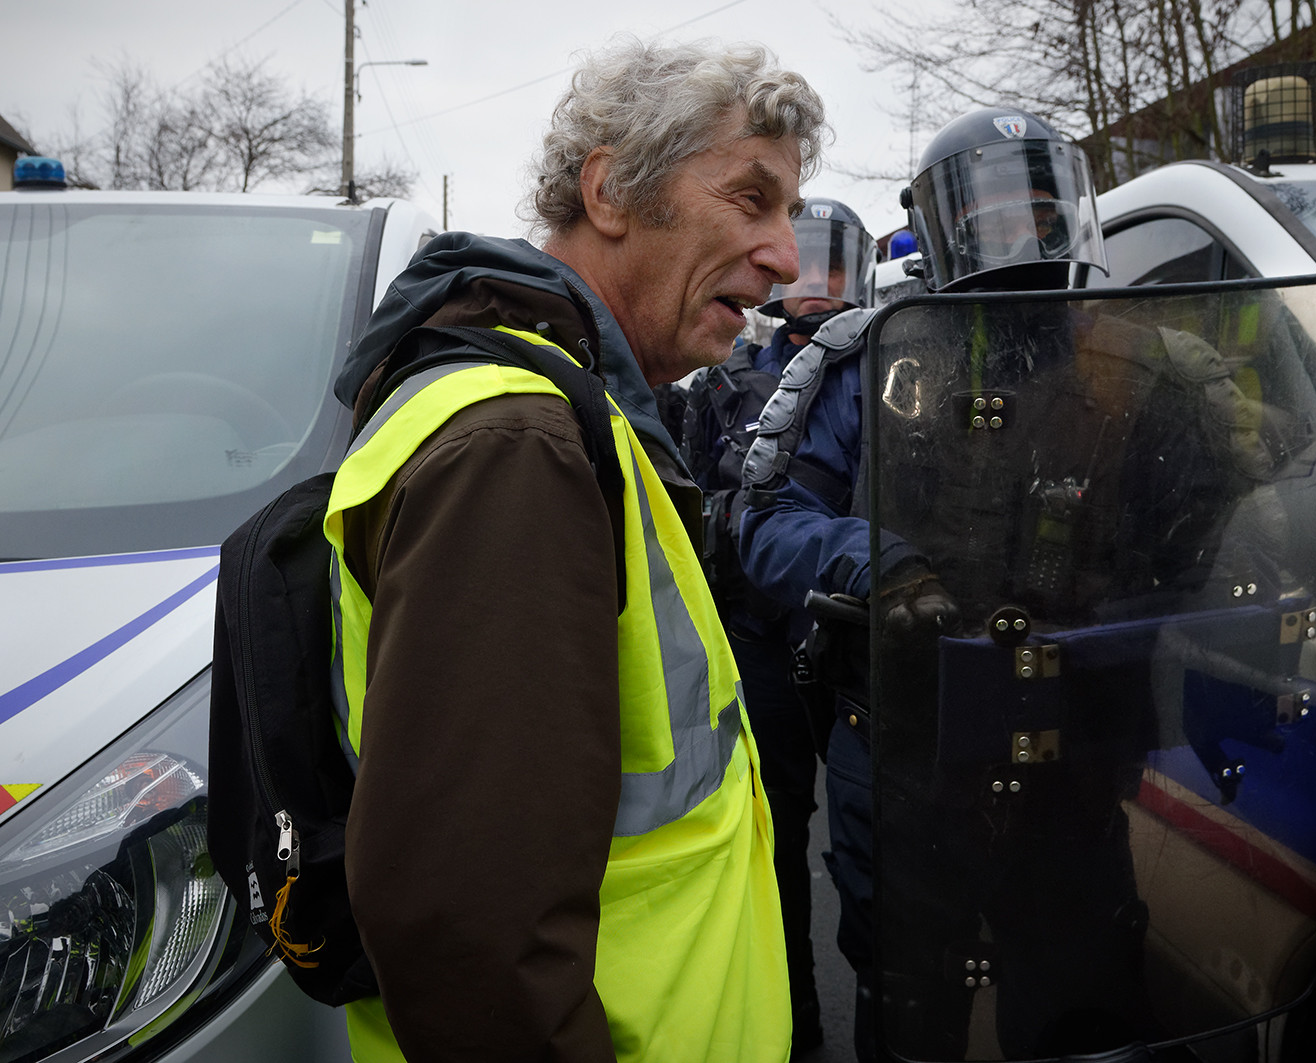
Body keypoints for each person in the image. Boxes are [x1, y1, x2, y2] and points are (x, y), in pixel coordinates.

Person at [324, 38, 827, 1063]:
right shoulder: (518, 444)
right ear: (610, 191)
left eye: (790, 212)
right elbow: (467, 935)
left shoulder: (574, 415)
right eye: (750, 198)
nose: (786, 256)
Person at [738, 104, 1265, 1060]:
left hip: (1072, 747)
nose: (1021, 235)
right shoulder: (866, 359)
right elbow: (767, 518)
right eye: (992, 213)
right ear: (942, 226)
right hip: (902, 737)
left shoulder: (1144, 367)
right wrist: (876, 561)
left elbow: (1214, 531)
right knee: (909, 988)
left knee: (1078, 986)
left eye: (1040, 210)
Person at [681, 195, 877, 1054]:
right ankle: (794, 1024)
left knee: (879, 846)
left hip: (860, 640)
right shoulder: (727, 378)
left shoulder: (890, 365)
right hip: (760, 641)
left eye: (838, 263)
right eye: (809, 261)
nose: (820, 282)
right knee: (773, 838)